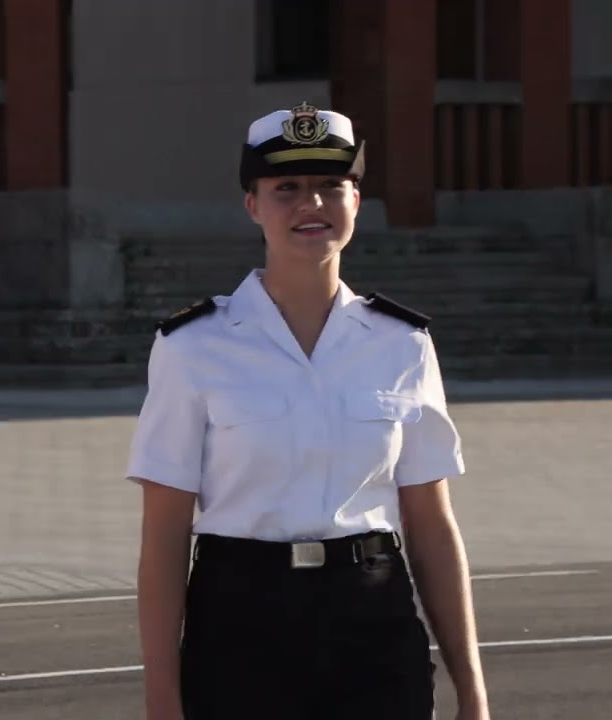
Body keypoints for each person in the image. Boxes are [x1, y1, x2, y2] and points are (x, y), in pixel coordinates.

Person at [127, 102, 490, 720]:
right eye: (286, 188)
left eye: (330, 186)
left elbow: (431, 523)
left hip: (373, 623)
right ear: (253, 205)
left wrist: (473, 694)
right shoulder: (193, 345)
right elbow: (163, 534)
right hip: (241, 624)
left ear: (355, 200)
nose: (311, 205)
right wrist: (163, 698)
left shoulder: (401, 343)